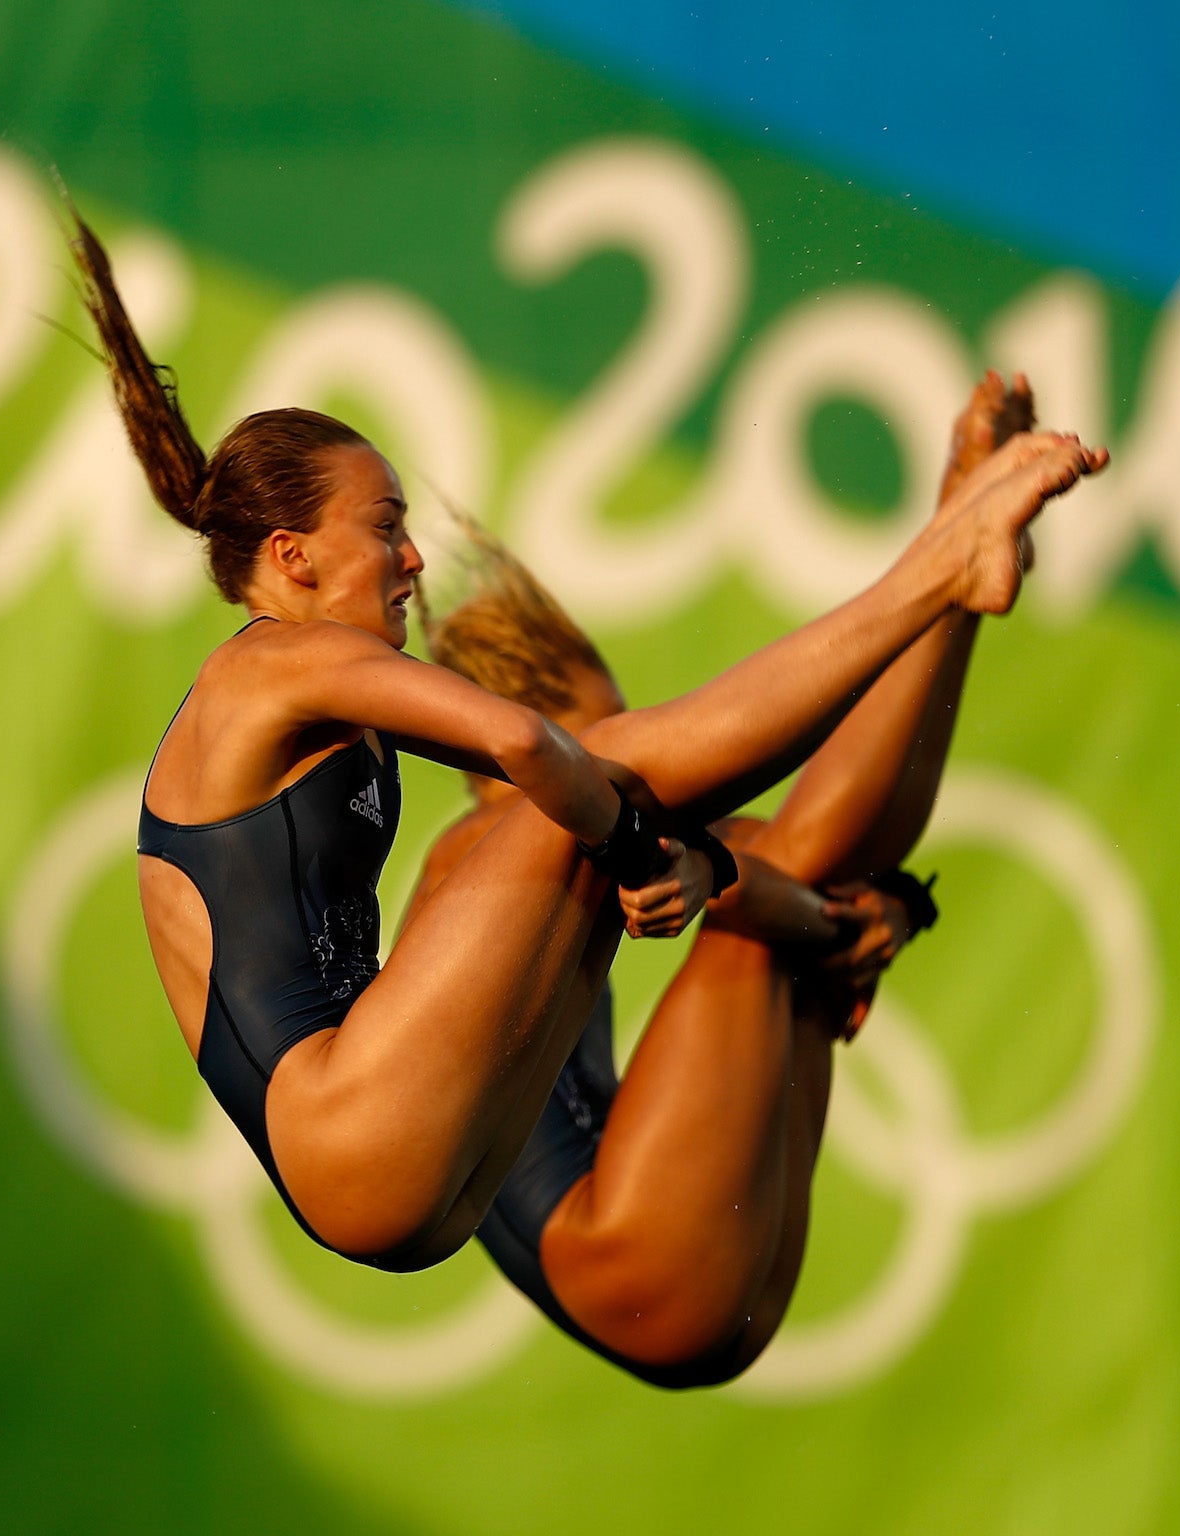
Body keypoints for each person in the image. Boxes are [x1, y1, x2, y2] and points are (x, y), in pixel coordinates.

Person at [73, 213, 1107, 1276]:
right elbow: (522, 738)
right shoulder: (267, 664)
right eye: (383, 525)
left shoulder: (297, 692)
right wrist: (636, 840)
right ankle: (939, 570)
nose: (413, 557)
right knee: (601, 775)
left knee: (625, 804)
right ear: (291, 556)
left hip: (403, 1182)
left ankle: (945, 577)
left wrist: (670, 854)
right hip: (359, 1130)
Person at [410, 373, 1035, 1386]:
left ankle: (958, 569)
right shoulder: (472, 854)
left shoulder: (535, 837)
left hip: (701, 1279)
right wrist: (837, 915)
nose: (641, 755)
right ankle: (951, 562)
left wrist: (872, 910)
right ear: (521, 740)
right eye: (609, 739)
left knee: (799, 880)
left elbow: (783, 857)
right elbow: (760, 865)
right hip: (632, 1250)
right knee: (783, 879)